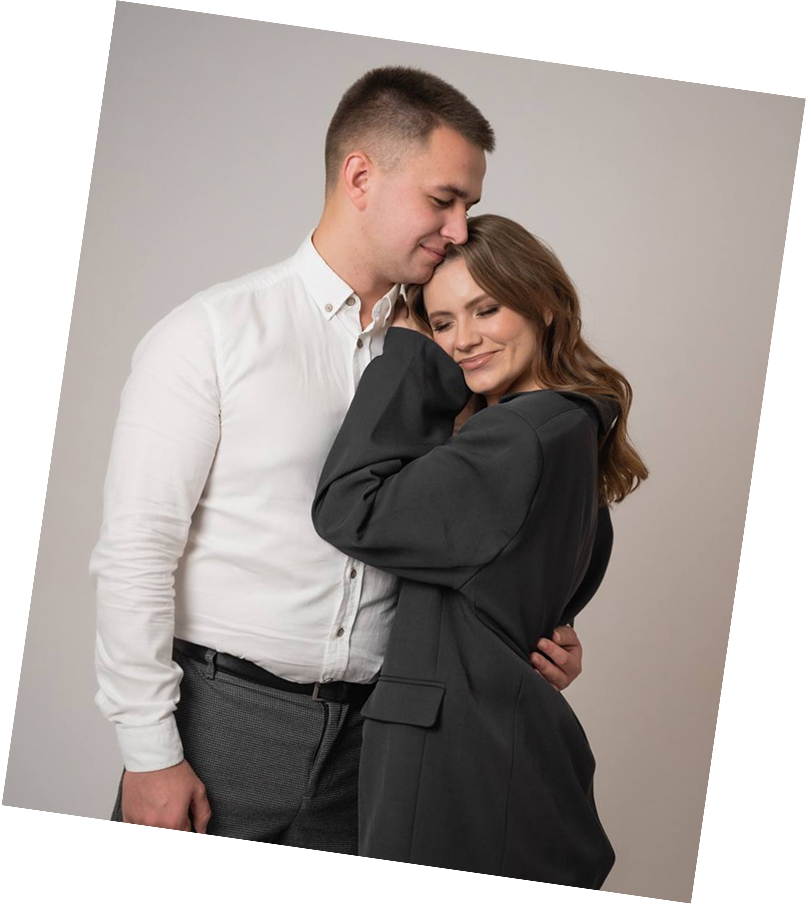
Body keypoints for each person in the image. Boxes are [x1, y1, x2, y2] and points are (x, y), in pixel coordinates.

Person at [90, 67, 586, 844]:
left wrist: (536, 630)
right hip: (223, 721)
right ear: (360, 177)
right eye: (443, 199)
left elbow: (478, 533)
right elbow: (135, 553)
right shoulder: (211, 334)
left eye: (469, 206)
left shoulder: (456, 351)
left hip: (382, 744)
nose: (459, 229)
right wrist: (149, 752)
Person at [312, 213, 649, 884]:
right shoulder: (568, 432)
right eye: (441, 324)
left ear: (545, 303)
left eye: (486, 309)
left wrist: (409, 358)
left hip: (460, 758)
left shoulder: (518, 438)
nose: (462, 340)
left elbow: (350, 508)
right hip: (497, 746)